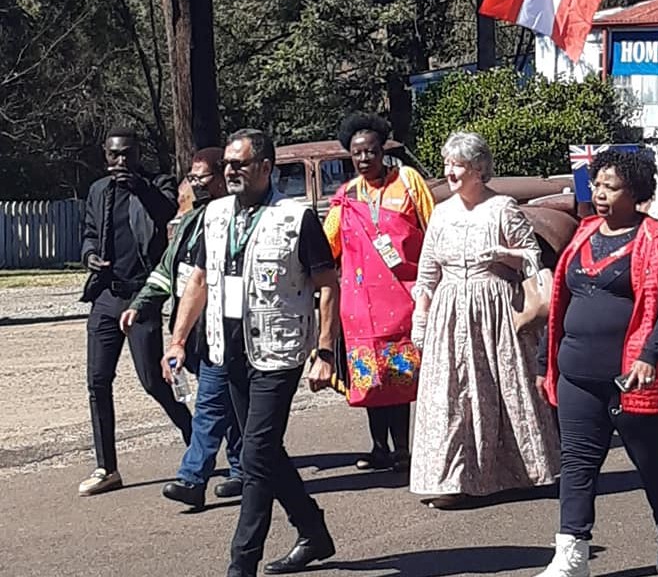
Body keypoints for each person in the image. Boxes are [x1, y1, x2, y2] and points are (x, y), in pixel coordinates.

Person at [165, 129, 340, 576]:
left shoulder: (296, 217)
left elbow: (327, 285)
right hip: (229, 350)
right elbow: (199, 280)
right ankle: (313, 532)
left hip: (278, 351)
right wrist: (179, 340)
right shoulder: (215, 215)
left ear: (265, 167)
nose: (229, 171)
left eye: (239, 164)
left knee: (256, 458)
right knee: (265, 451)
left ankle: (241, 565)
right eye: (227, 164)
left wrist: (325, 351)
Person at [534, 151, 658, 577]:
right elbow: (560, 302)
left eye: (612, 187)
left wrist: (650, 355)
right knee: (577, 463)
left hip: (631, 378)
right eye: (597, 185)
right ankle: (572, 553)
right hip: (576, 373)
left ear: (636, 192)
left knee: (650, 461)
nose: (600, 194)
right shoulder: (583, 232)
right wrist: (544, 359)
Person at [409, 131, 560, 508]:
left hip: (495, 310)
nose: (450, 172)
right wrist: (421, 315)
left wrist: (505, 254)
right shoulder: (441, 212)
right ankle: (455, 480)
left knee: (502, 389)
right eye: (447, 164)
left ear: (478, 169)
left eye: (458, 165)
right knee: (453, 395)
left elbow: (533, 260)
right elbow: (427, 273)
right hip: (449, 312)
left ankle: (520, 473)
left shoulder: (502, 208)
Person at [120, 147, 244, 509]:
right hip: (193, 326)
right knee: (226, 403)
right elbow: (166, 271)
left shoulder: (236, 219)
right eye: (192, 178)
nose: (195, 184)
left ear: (222, 176)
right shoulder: (191, 221)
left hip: (226, 327)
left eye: (201, 177)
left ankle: (194, 478)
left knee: (211, 404)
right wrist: (140, 305)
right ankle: (242, 470)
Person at [78, 126, 190, 495]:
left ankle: (196, 438)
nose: (121, 160)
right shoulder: (99, 190)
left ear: (138, 154)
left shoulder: (156, 184)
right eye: (115, 154)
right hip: (106, 296)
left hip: (141, 295)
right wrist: (89, 255)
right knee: (97, 382)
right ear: (105, 154)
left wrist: (138, 186)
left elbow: (166, 211)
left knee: (152, 381)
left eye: (128, 153)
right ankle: (106, 468)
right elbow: (89, 232)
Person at [323, 113, 434, 472]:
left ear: (382, 151)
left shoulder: (407, 181)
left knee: (399, 378)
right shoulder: (346, 196)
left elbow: (432, 228)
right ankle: (378, 448)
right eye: (357, 153)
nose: (364, 158)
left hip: (403, 299)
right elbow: (328, 244)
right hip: (360, 307)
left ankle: (402, 449)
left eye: (370, 151)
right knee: (369, 378)